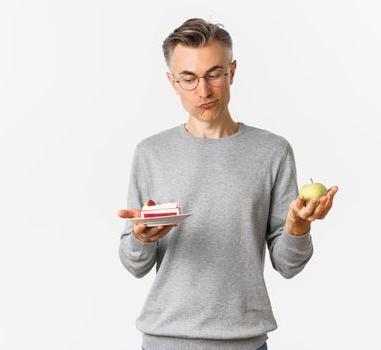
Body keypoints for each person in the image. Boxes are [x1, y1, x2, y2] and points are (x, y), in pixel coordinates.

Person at [118, 18, 338, 350]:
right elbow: (135, 264)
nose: (203, 91)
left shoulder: (272, 152)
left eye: (214, 75)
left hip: (245, 342)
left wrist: (297, 226)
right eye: (189, 79)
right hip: (165, 340)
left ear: (232, 72)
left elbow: (289, 265)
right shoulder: (151, 153)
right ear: (172, 82)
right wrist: (140, 238)